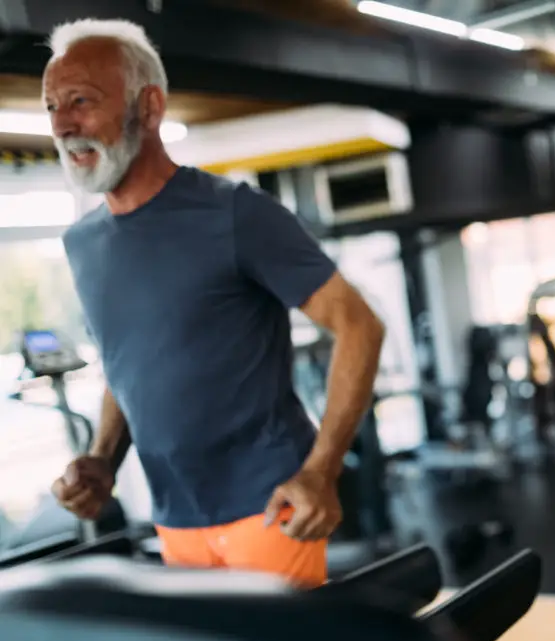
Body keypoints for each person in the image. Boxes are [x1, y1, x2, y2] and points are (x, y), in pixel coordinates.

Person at [44, 19, 385, 588]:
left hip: (270, 507)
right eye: (52, 106)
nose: (62, 124)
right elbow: (128, 365)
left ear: (149, 107)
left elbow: (359, 325)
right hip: (175, 517)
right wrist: (103, 458)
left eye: (82, 101)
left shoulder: (234, 214)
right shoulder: (83, 245)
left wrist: (321, 472)